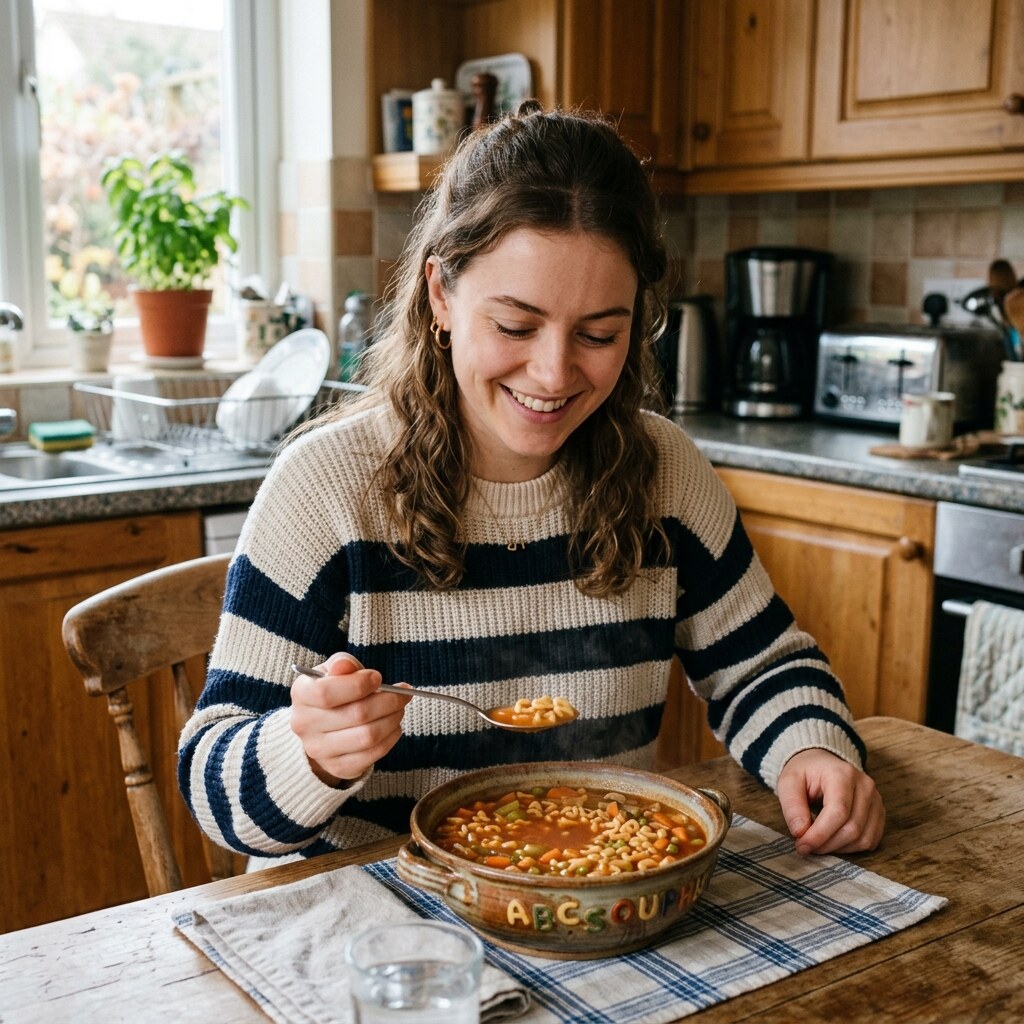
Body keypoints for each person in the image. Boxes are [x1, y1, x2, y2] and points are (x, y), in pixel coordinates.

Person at [178, 101, 884, 865]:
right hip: (380, 939)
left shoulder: (666, 475)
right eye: (515, 326)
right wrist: (307, 753)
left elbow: (765, 666)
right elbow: (213, 784)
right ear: (442, 295)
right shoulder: (327, 489)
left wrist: (813, 749)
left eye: (599, 334)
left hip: (600, 908)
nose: (553, 374)